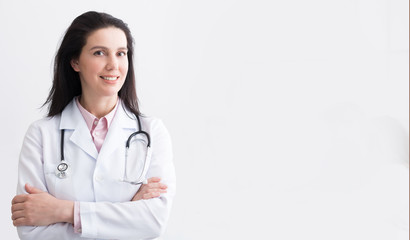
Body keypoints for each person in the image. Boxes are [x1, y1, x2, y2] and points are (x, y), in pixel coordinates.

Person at [10, 11, 176, 240]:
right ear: (75, 61)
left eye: (121, 53)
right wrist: (127, 211)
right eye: (100, 53)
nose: (113, 65)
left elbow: (153, 222)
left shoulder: (152, 132)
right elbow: (32, 231)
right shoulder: (41, 135)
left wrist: (63, 211)